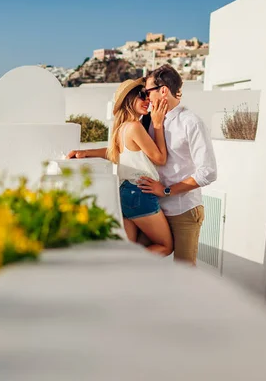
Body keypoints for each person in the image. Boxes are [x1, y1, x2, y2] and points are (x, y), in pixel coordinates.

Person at [67, 65, 217, 265]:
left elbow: (208, 172)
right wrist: (85, 152)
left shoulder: (191, 122)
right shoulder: (148, 121)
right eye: (143, 94)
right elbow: (124, 151)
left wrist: (166, 190)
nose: (147, 97)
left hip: (182, 209)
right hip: (152, 203)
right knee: (137, 255)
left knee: (183, 272)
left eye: (148, 92)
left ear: (163, 91)